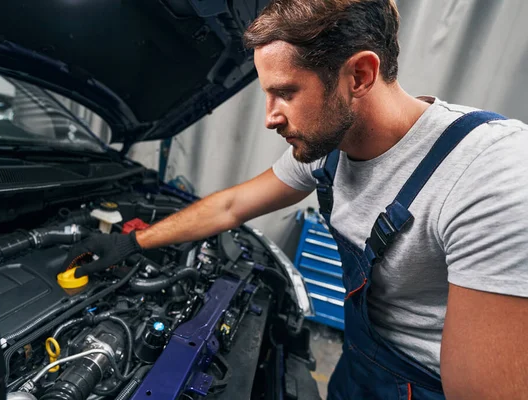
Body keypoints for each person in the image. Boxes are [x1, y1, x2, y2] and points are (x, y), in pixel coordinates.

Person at [63, 0, 528, 398]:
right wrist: (136, 242)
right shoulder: (329, 151)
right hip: (359, 364)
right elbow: (230, 206)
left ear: (360, 75)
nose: (270, 118)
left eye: (284, 93)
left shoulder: (489, 172)